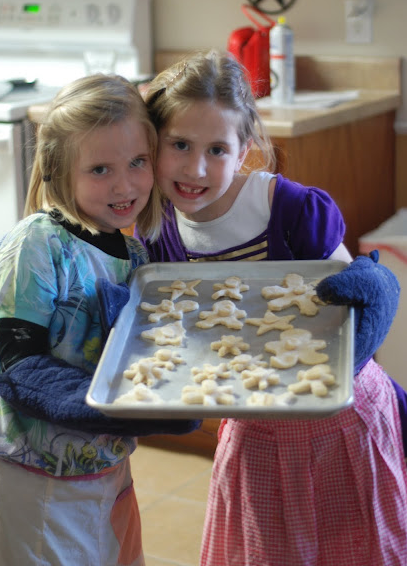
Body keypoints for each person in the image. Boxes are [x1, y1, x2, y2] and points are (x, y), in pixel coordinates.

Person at [135, 49, 407, 565]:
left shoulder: (292, 210)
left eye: (217, 149)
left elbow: (349, 316)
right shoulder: (158, 227)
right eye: (179, 144)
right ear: (154, 143)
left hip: (339, 422)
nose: (195, 167)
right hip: (255, 429)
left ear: (244, 151)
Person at [0, 74, 198, 566]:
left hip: (103, 465)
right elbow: (18, 367)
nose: (125, 185)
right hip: (32, 477)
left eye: (138, 162)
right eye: (100, 169)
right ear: (60, 171)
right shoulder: (37, 245)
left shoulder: (135, 255)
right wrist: (126, 410)